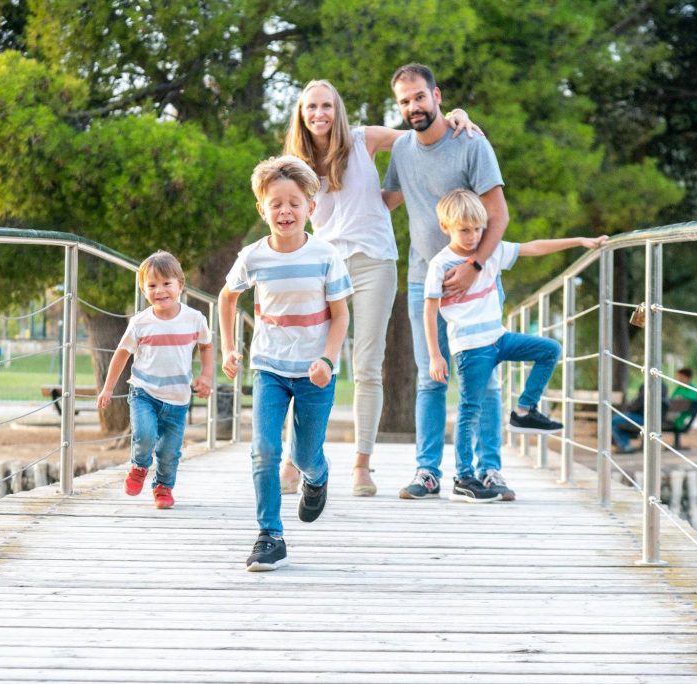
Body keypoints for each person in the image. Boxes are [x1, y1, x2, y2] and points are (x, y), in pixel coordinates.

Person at [280, 80, 481, 497]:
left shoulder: (363, 139)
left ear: (338, 110)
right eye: (311, 107)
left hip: (374, 261)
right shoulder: (294, 162)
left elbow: (423, 138)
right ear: (301, 114)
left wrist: (455, 114)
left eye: (327, 106)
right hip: (323, 265)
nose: (320, 114)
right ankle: (292, 460)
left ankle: (361, 465)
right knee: (306, 363)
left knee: (368, 363)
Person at [381, 63, 511, 500]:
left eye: (419, 96)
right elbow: (387, 201)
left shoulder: (471, 142)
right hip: (425, 282)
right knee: (430, 377)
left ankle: (490, 470)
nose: (413, 106)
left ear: (437, 96)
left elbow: (499, 216)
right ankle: (428, 471)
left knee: (485, 382)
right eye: (404, 101)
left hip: (476, 282)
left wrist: (473, 267)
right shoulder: (401, 149)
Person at [425, 189, 607, 501]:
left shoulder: (490, 252)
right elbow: (429, 310)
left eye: (478, 229)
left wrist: (579, 241)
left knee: (549, 349)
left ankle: (524, 410)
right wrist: (435, 355)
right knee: (471, 409)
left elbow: (533, 248)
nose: (472, 237)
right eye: (464, 230)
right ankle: (464, 476)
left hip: (499, 337)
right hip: (470, 348)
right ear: (447, 228)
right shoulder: (441, 264)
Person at [219, 155, 352, 571]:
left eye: (294, 202)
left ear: (311, 208)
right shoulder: (253, 257)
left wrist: (327, 360)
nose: (285, 211)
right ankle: (270, 535)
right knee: (264, 450)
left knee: (305, 455)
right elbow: (227, 297)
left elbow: (341, 314)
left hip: (316, 370)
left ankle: (317, 477)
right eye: (275, 203)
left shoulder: (326, 255)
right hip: (269, 368)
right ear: (262, 210)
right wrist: (228, 347)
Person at [98, 251, 214, 510]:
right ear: (143, 289)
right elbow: (121, 354)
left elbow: (206, 347)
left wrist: (206, 375)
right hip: (144, 393)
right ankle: (139, 466)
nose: (159, 291)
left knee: (170, 452)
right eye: (151, 285)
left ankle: (163, 487)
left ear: (180, 286)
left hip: (178, 397)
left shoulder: (195, 319)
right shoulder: (140, 322)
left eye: (166, 284)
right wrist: (107, 388)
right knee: (145, 436)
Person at [611, 382, 669, 454]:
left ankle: (623, 446)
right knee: (617, 423)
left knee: (614, 420)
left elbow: (634, 406)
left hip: (643, 419)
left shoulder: (648, 386)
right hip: (656, 420)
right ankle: (623, 445)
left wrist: (629, 407)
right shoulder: (663, 388)